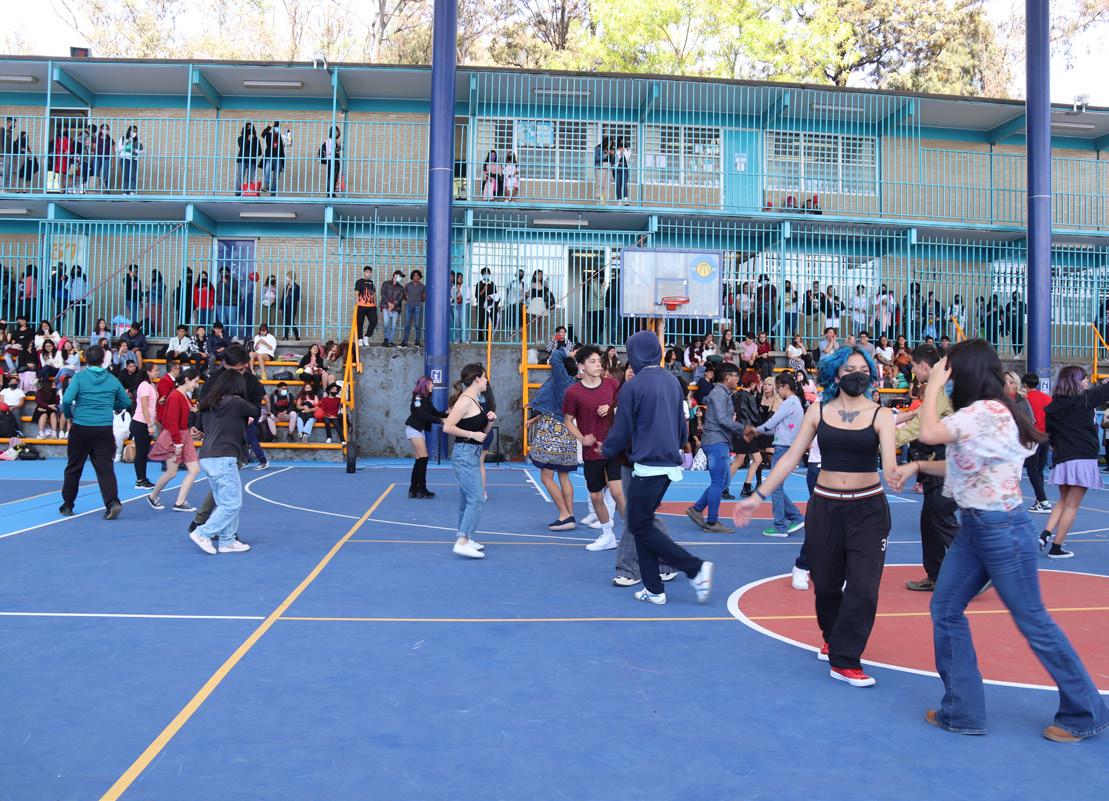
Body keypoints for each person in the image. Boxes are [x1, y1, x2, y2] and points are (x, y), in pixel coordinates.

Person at [902, 340, 1109, 742]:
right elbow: (965, 464)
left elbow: (928, 431)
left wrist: (932, 386)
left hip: (1000, 529)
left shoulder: (983, 412)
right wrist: (918, 465)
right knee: (945, 608)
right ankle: (961, 709)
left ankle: (1085, 711)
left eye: (949, 370)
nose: (946, 377)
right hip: (979, 526)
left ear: (963, 373)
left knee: (1032, 620)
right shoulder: (995, 411)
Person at [733, 346, 900, 687]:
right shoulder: (818, 410)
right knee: (825, 586)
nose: (857, 375)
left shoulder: (881, 415)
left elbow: (890, 464)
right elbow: (790, 456)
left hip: (868, 510)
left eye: (863, 369)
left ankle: (845, 659)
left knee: (864, 589)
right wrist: (758, 496)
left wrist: (899, 473)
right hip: (825, 507)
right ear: (836, 373)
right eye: (850, 369)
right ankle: (832, 635)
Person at [602, 331, 714, 606]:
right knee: (640, 523)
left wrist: (606, 449)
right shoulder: (673, 382)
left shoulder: (633, 386)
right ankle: (653, 588)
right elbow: (682, 424)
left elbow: (622, 429)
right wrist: (678, 445)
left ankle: (695, 568)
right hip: (668, 461)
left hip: (647, 464)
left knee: (639, 524)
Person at [894, 345, 959, 592]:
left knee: (940, 516)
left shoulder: (939, 388)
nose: (912, 371)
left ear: (923, 365)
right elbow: (917, 417)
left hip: (945, 463)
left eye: (913, 366)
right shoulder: (938, 388)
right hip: (935, 463)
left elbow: (918, 426)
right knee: (929, 521)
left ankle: (979, 569)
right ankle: (936, 573)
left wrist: (884, 440)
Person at [188, 367, 258, 555]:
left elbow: (201, 426)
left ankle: (228, 540)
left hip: (207, 455)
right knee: (232, 503)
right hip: (224, 456)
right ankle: (203, 533)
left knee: (224, 501)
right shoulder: (236, 402)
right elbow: (255, 410)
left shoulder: (208, 404)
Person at [1040, 365, 1109, 559]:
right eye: (1085, 378)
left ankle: (1046, 533)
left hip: (1063, 457)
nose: (1087, 381)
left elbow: (1050, 435)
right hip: (1083, 456)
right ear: (1077, 381)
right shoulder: (1086, 399)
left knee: (1063, 500)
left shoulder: (1053, 406)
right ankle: (1056, 547)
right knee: (1072, 505)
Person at [59, 344, 131, 519]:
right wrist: (109, 405)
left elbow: (67, 400)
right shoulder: (112, 379)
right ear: (103, 359)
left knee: (74, 467)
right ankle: (112, 502)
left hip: (81, 426)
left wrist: (69, 415)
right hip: (104, 428)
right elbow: (126, 402)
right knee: (105, 468)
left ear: (86, 359)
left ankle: (68, 504)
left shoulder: (79, 377)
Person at [562, 346, 624, 550]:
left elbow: (625, 407)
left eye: (599, 360)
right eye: (593, 361)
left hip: (613, 448)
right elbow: (568, 421)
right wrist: (582, 438)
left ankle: (635, 534)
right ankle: (608, 536)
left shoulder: (612, 384)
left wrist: (612, 408)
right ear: (581, 366)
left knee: (617, 492)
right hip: (592, 451)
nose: (598, 364)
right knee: (596, 496)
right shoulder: (573, 393)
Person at [441, 363, 495, 558]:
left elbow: (482, 433)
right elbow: (447, 427)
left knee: (467, 500)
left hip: (472, 454)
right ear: (477, 379)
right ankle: (462, 541)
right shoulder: (464, 401)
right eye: (485, 377)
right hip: (464, 455)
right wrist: (472, 434)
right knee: (477, 498)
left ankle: (466, 537)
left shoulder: (476, 400)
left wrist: (490, 422)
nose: (487, 380)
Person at [686, 362, 745, 533]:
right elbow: (722, 419)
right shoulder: (719, 393)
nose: (738, 379)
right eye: (736, 376)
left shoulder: (721, 393)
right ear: (727, 377)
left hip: (718, 441)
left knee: (723, 481)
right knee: (719, 481)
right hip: (716, 442)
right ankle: (712, 522)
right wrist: (742, 428)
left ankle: (697, 509)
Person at [745, 373, 806, 538]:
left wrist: (755, 430)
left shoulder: (788, 403)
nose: (777, 391)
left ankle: (780, 526)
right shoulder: (796, 403)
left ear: (786, 387)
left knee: (775, 487)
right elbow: (776, 428)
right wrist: (759, 431)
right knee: (776, 486)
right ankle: (795, 517)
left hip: (783, 448)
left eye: (778, 387)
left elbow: (771, 424)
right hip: (788, 447)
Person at [528, 342, 580, 530]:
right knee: (564, 476)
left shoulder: (561, 380)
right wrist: (535, 419)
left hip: (553, 431)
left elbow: (557, 357)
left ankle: (564, 514)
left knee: (546, 476)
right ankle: (570, 515)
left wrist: (567, 352)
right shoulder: (573, 385)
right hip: (567, 430)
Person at [147, 367, 201, 513]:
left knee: (194, 470)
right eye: (195, 382)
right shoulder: (175, 396)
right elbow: (171, 423)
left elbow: (182, 419)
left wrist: (189, 429)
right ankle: (153, 496)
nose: (196, 385)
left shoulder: (182, 396)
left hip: (182, 435)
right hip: (174, 437)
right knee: (172, 472)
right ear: (187, 380)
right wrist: (177, 443)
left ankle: (179, 502)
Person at [405, 376, 446, 498]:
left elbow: (436, 413)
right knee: (423, 458)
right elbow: (422, 415)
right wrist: (441, 420)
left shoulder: (426, 399)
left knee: (419, 459)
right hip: (414, 430)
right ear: (425, 385)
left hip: (418, 430)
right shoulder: (418, 398)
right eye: (431, 383)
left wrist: (448, 413)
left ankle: (413, 489)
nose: (433, 385)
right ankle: (421, 489)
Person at [1022, 373, 1053, 513]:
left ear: (1024, 384)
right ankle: (1039, 501)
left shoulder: (1024, 399)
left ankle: (1043, 501)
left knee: (1032, 470)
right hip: (1044, 436)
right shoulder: (1047, 398)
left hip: (1031, 437)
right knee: (1039, 470)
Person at [130, 362, 159, 489]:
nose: (157, 372)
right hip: (141, 422)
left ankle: (143, 478)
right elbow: (144, 407)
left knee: (143, 452)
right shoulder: (144, 386)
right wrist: (149, 425)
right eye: (155, 370)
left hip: (145, 422)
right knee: (141, 452)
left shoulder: (150, 385)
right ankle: (140, 480)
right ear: (148, 371)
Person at [401, 269, 426, 347]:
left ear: (419, 277)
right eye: (414, 275)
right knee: (407, 325)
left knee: (417, 325)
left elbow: (424, 297)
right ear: (412, 276)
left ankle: (417, 342)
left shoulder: (422, 286)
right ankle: (404, 342)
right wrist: (408, 300)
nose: (416, 277)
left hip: (418, 306)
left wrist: (419, 300)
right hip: (409, 306)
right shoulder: (408, 285)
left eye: (417, 276)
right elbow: (403, 295)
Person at [380, 269, 404, 347]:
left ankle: (390, 341)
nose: (400, 278)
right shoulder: (386, 283)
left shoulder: (401, 287)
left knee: (393, 325)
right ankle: (386, 339)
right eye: (399, 276)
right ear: (395, 275)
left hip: (395, 308)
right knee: (386, 323)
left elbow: (400, 298)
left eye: (401, 277)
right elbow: (383, 294)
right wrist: (388, 303)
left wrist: (393, 305)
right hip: (385, 306)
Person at [354, 266, 377, 346]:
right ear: (364, 273)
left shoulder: (371, 282)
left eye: (370, 272)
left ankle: (366, 337)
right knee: (360, 323)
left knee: (374, 321)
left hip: (371, 306)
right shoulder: (359, 282)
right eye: (367, 272)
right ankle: (360, 339)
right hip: (361, 305)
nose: (368, 273)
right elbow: (356, 293)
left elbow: (374, 293)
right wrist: (357, 303)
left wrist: (375, 304)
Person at [280, 271, 301, 341]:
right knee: (285, 321)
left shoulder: (296, 287)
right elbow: (283, 297)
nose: (286, 278)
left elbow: (298, 298)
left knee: (291, 321)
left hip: (292, 306)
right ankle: (286, 337)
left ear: (290, 277)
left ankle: (297, 335)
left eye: (287, 277)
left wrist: (291, 292)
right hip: (285, 306)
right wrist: (281, 307)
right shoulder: (286, 286)